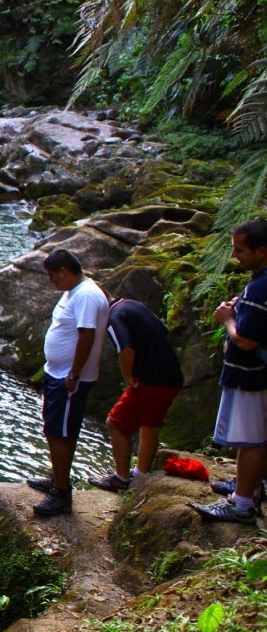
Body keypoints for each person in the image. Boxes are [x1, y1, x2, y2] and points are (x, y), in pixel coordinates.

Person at [26, 249, 109, 517]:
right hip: (58, 373)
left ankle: (61, 492)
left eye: (53, 277)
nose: (52, 282)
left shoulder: (85, 295)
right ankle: (57, 478)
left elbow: (86, 336)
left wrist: (73, 374)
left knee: (59, 432)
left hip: (68, 378)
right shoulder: (75, 291)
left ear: (64, 271)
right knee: (57, 429)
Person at [194, 219, 267, 521]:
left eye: (239, 250)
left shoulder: (261, 287)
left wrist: (227, 318)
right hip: (259, 376)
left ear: (261, 251)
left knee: (251, 441)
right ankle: (250, 486)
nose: (235, 256)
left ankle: (242, 504)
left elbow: (247, 340)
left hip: (252, 377)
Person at [88, 297, 185, 492]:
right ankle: (139, 476)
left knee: (115, 423)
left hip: (151, 380)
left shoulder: (113, 317)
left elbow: (126, 349)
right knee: (150, 426)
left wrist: (128, 376)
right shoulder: (133, 304)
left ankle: (121, 478)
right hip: (171, 375)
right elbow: (163, 330)